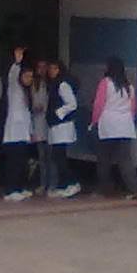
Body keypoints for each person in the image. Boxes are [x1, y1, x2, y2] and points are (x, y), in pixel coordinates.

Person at [91, 56, 137, 198]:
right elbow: (133, 109)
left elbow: (98, 105)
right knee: (125, 160)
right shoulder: (129, 86)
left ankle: (104, 188)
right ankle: (135, 189)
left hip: (108, 125)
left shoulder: (105, 83)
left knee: (104, 159)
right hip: (125, 126)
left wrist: (94, 121)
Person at [2, 48, 35, 201]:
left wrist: (31, 132)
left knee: (22, 161)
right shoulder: (14, 89)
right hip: (13, 132)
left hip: (23, 133)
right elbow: (12, 76)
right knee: (13, 162)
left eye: (31, 77)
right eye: (26, 76)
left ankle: (19, 187)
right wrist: (17, 62)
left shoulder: (28, 93)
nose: (29, 79)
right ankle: (10, 190)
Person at [45, 60, 81, 198]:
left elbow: (72, 104)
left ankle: (72, 183)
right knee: (57, 156)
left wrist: (58, 113)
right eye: (50, 68)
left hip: (62, 125)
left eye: (55, 68)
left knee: (60, 157)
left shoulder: (63, 84)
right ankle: (63, 185)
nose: (52, 71)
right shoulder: (53, 85)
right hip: (56, 126)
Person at [30, 58, 52, 195]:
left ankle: (51, 184)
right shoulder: (34, 84)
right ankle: (43, 184)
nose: (42, 70)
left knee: (51, 157)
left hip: (49, 123)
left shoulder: (51, 84)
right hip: (38, 122)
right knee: (42, 157)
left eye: (45, 67)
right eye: (39, 67)